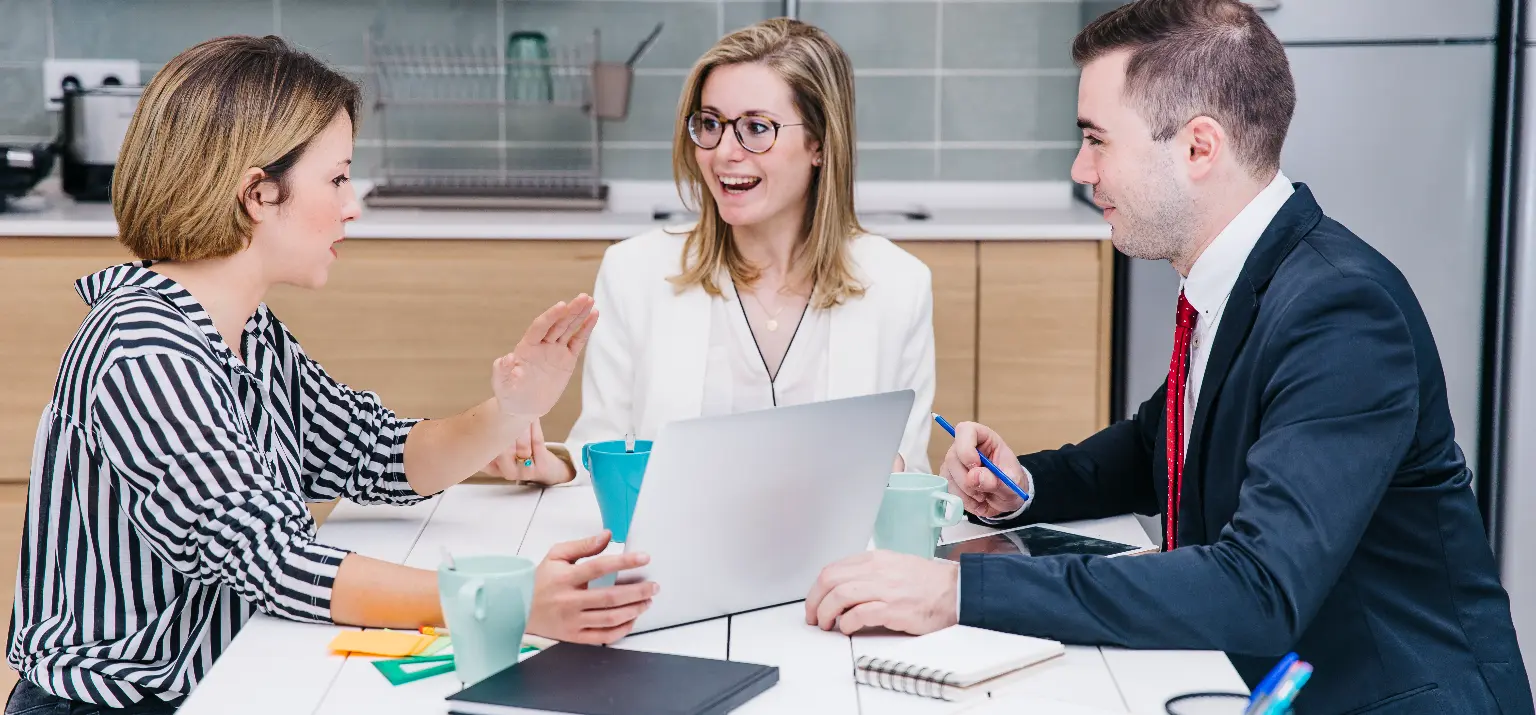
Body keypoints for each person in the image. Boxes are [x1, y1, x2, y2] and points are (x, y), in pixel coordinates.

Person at [803, 1, 1535, 713]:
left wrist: (959, 592)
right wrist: (1025, 484)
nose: (1081, 170)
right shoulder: (1243, 280)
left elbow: (1258, 586)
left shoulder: (1340, 312)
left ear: (1197, 147)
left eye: (1097, 140)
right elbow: (1162, 444)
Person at [5, 36, 656, 714]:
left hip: (215, 683)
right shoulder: (144, 354)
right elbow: (276, 562)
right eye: (338, 178)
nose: (353, 206)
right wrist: (506, 600)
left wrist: (510, 408)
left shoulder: (246, 330)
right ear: (259, 193)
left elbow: (375, 452)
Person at [484, 19, 936, 486]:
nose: (723, 153)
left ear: (819, 143)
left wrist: (886, 472)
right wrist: (547, 463)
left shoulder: (899, 284)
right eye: (711, 124)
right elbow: (603, 450)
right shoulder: (634, 272)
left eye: (756, 128)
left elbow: (911, 480)